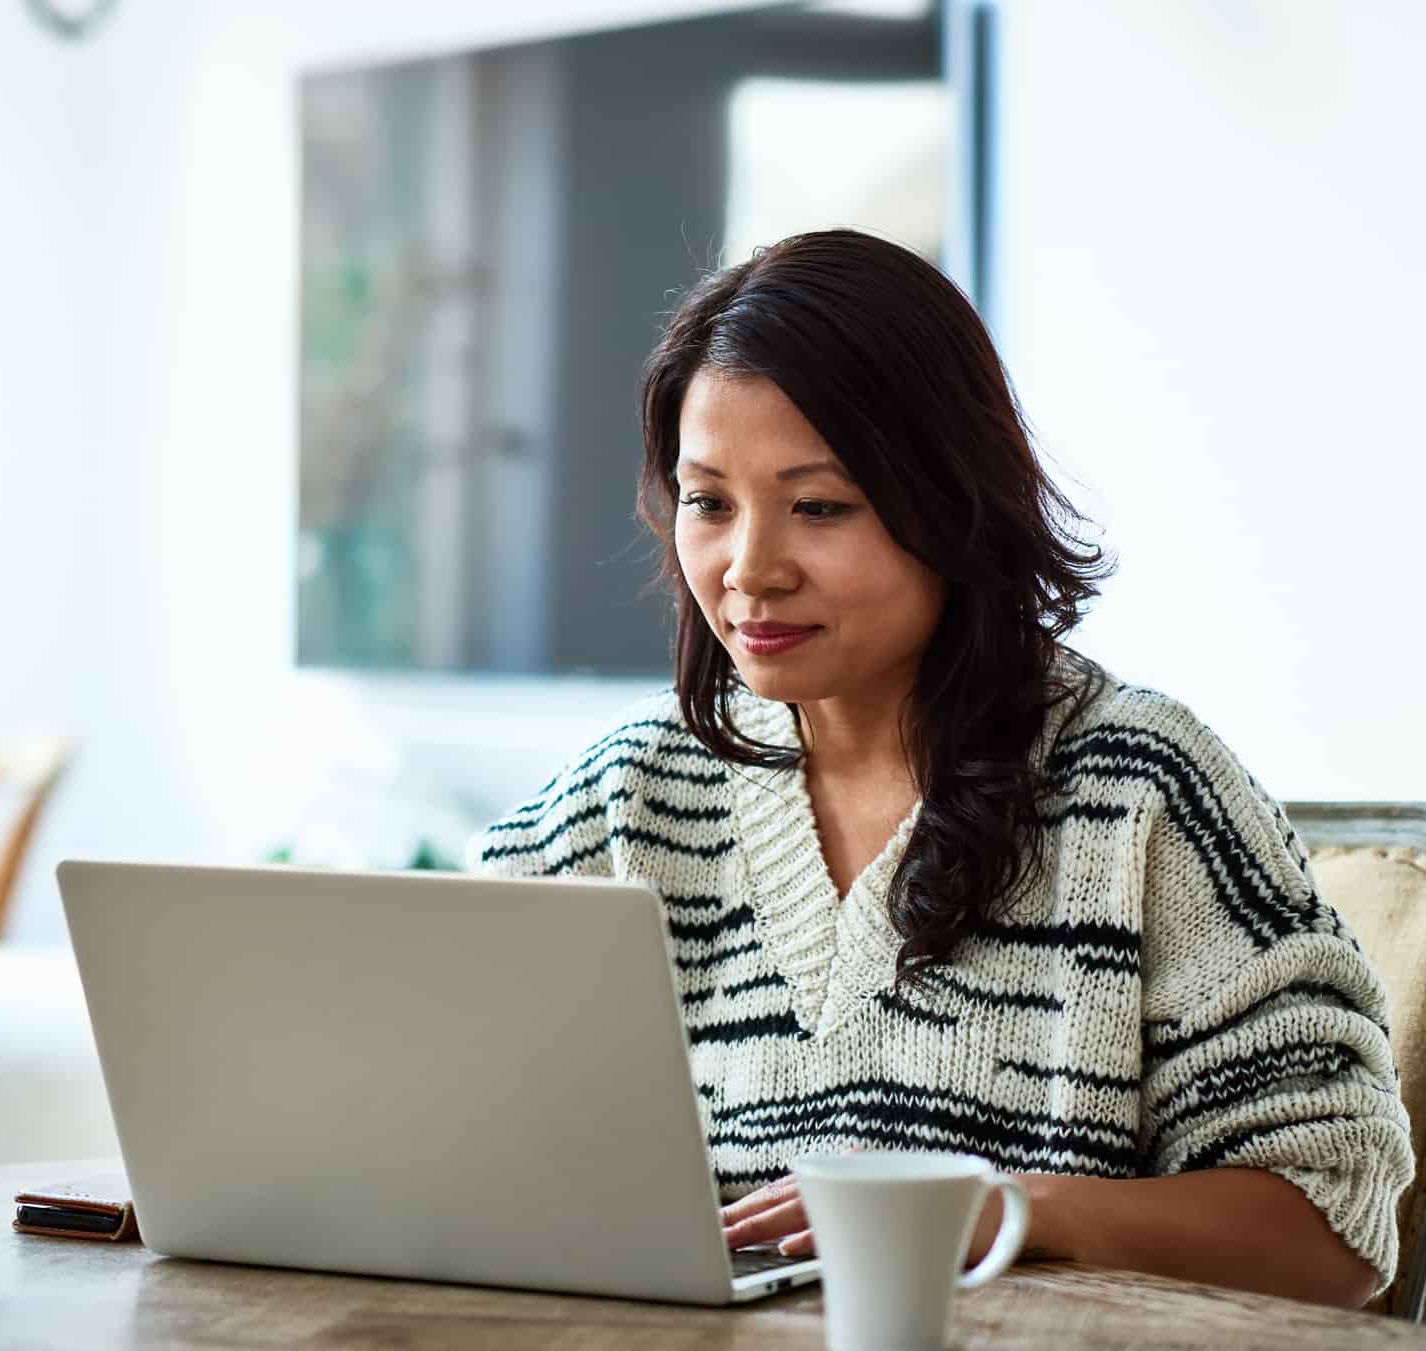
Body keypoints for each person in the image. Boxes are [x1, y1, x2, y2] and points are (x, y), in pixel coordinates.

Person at [465, 229, 1411, 1308]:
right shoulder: (620, 799)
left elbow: (1330, 1228)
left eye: (818, 505)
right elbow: (438, 1127)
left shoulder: (1139, 788)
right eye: (706, 500)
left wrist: (1001, 1209)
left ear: (950, 500)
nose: (747, 568)